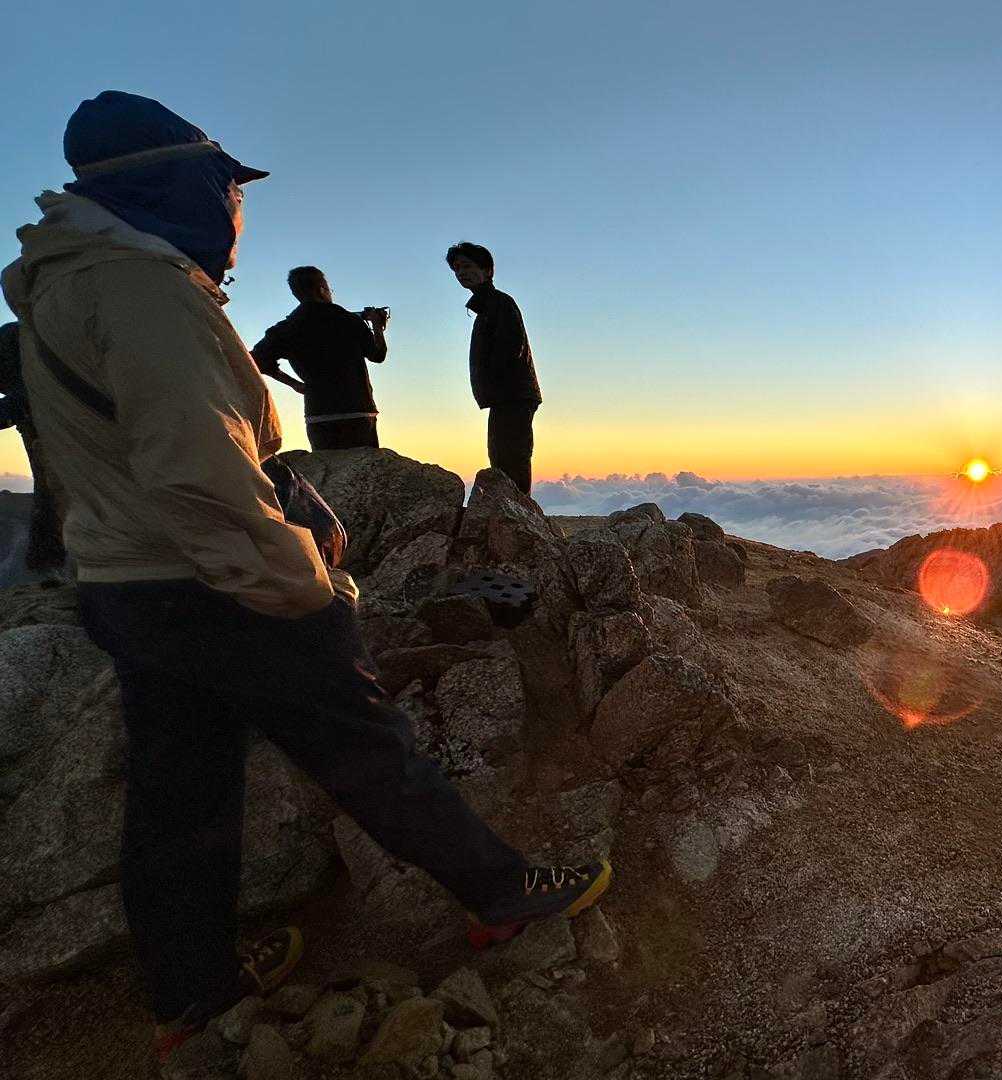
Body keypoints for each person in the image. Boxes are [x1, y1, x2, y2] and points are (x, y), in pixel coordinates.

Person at [2, 91, 611, 1060]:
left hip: (127, 583)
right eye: (229, 190)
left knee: (179, 792)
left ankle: (191, 991)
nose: (238, 212)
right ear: (177, 185)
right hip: (214, 581)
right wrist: (312, 593)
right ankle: (499, 892)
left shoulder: (60, 286)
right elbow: (200, 478)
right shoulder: (144, 293)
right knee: (366, 743)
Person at [251, 266, 390, 450]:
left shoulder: (287, 328)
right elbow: (378, 355)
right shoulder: (349, 321)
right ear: (321, 289)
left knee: (328, 466)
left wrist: (295, 384)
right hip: (357, 412)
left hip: (319, 415)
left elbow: (256, 360)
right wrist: (377, 327)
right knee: (363, 466)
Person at [447, 242, 541, 493]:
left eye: (467, 266)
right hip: (506, 396)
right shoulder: (487, 307)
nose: (461, 273)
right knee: (502, 457)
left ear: (487, 270)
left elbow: (511, 348)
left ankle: (519, 511)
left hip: (512, 395)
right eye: (457, 269)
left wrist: (494, 383)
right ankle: (513, 509)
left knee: (511, 458)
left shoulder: (500, 303)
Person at [0, 321, 69, 573]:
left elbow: (22, 400)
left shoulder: (16, 347)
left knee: (53, 500)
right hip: (48, 438)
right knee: (48, 500)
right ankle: (48, 569)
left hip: (62, 445)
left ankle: (50, 569)